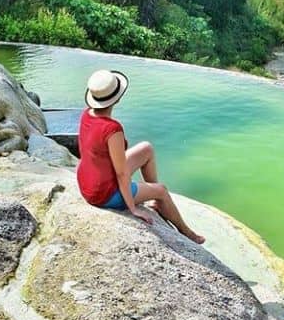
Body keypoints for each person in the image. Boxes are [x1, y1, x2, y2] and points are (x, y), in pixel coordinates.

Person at [76, 69, 205, 244]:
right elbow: (121, 174)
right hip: (104, 193)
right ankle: (186, 231)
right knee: (162, 190)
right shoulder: (112, 129)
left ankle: (155, 201)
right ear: (118, 98)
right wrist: (132, 209)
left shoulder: (86, 114)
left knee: (147, 148)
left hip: (88, 181)